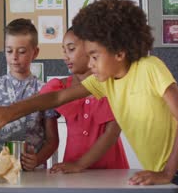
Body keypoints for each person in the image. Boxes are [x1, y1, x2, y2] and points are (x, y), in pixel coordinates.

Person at [0, 0, 178, 192]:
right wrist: (9, 112)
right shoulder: (106, 82)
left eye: (95, 56)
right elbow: (57, 97)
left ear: (119, 52)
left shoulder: (149, 67)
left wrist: (167, 173)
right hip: (156, 171)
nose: (90, 63)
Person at [40, 27, 129, 173]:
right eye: (64, 50)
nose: (65, 56)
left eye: (71, 49)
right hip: (71, 171)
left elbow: (112, 133)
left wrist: (80, 164)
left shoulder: (113, 85)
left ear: (91, 49)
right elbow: (48, 133)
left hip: (111, 173)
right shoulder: (59, 87)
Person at [0, 18, 59, 171]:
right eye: (9, 51)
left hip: (34, 172)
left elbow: (52, 140)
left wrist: (37, 159)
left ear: (35, 53)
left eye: (21, 51)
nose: (14, 57)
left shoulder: (44, 91)